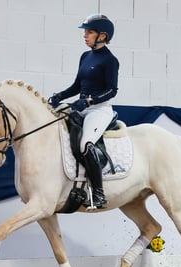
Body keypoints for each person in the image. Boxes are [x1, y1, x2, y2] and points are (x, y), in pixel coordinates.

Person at [49, 14, 119, 209]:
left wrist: (89, 101)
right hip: (82, 107)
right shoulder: (85, 57)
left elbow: (112, 90)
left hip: (99, 110)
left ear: (102, 36)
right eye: (85, 32)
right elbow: (77, 85)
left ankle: (98, 193)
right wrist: (60, 96)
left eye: (89, 32)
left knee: (85, 144)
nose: (85, 35)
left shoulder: (110, 60)